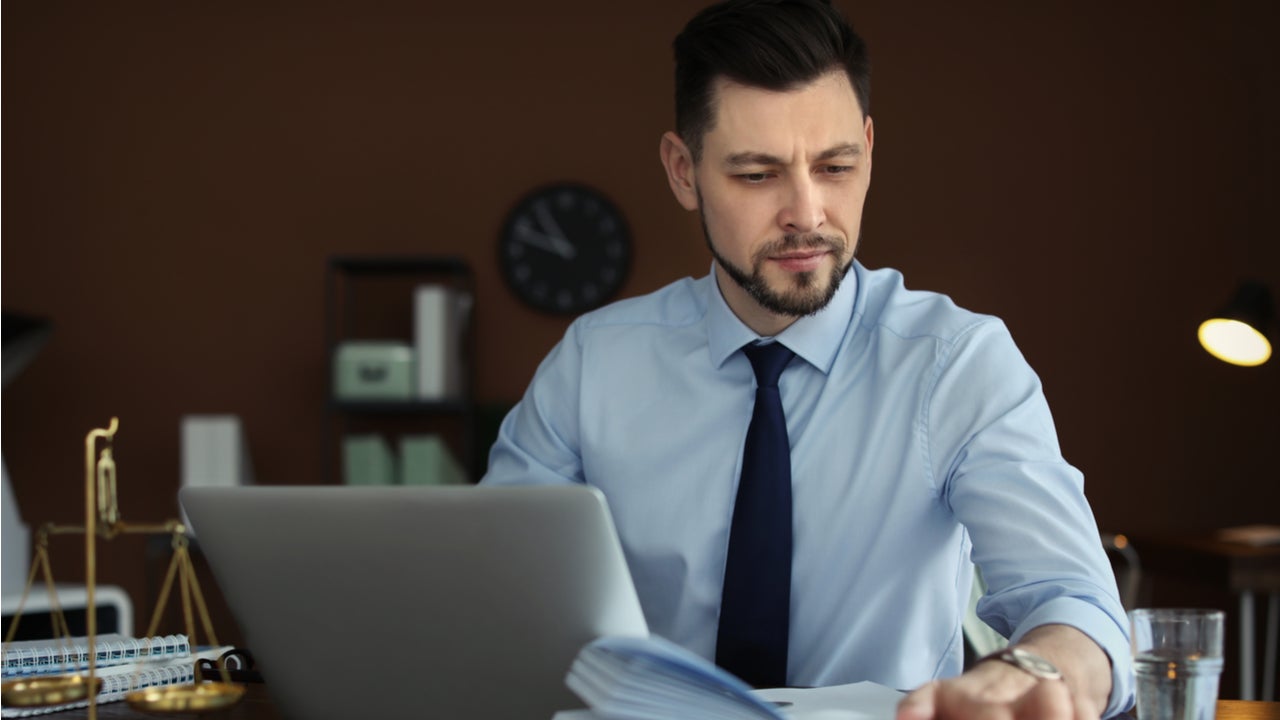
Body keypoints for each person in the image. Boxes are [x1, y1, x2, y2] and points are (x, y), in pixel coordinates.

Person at [481, 0, 1134, 717]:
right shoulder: (593, 366)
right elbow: (491, 593)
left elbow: (1075, 602)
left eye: (834, 166)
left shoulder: (957, 365)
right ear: (683, 171)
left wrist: (1033, 670)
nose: (808, 213)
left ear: (869, 150)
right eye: (757, 175)